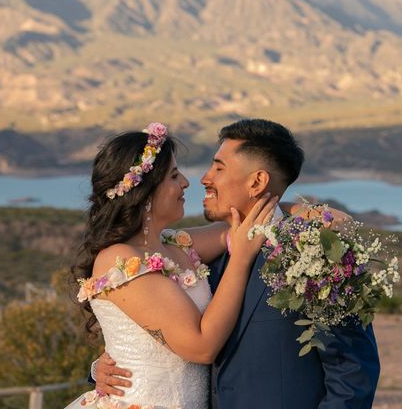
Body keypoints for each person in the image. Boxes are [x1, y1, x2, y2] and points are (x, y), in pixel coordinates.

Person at [94, 119, 380, 408]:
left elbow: (352, 371)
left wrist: (297, 209)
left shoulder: (316, 255)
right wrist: (101, 369)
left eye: (218, 168)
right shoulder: (206, 256)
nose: (202, 179)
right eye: (175, 175)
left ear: (257, 182)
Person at [67, 122, 278, 409]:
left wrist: (301, 211)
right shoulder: (120, 260)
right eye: (174, 176)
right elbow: (201, 347)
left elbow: (243, 224)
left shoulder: (175, 244)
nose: (186, 183)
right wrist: (240, 260)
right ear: (145, 193)